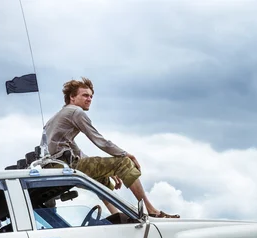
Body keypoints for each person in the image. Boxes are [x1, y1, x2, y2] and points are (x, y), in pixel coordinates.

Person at [42, 77, 179, 218]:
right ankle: (151, 210)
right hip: (65, 166)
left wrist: (106, 170)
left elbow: (75, 151)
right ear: (72, 97)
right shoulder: (76, 112)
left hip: (54, 167)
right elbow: (99, 140)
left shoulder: (55, 118)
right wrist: (125, 154)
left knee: (102, 179)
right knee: (123, 163)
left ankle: (117, 216)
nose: (89, 99)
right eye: (85, 95)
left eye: (91, 96)